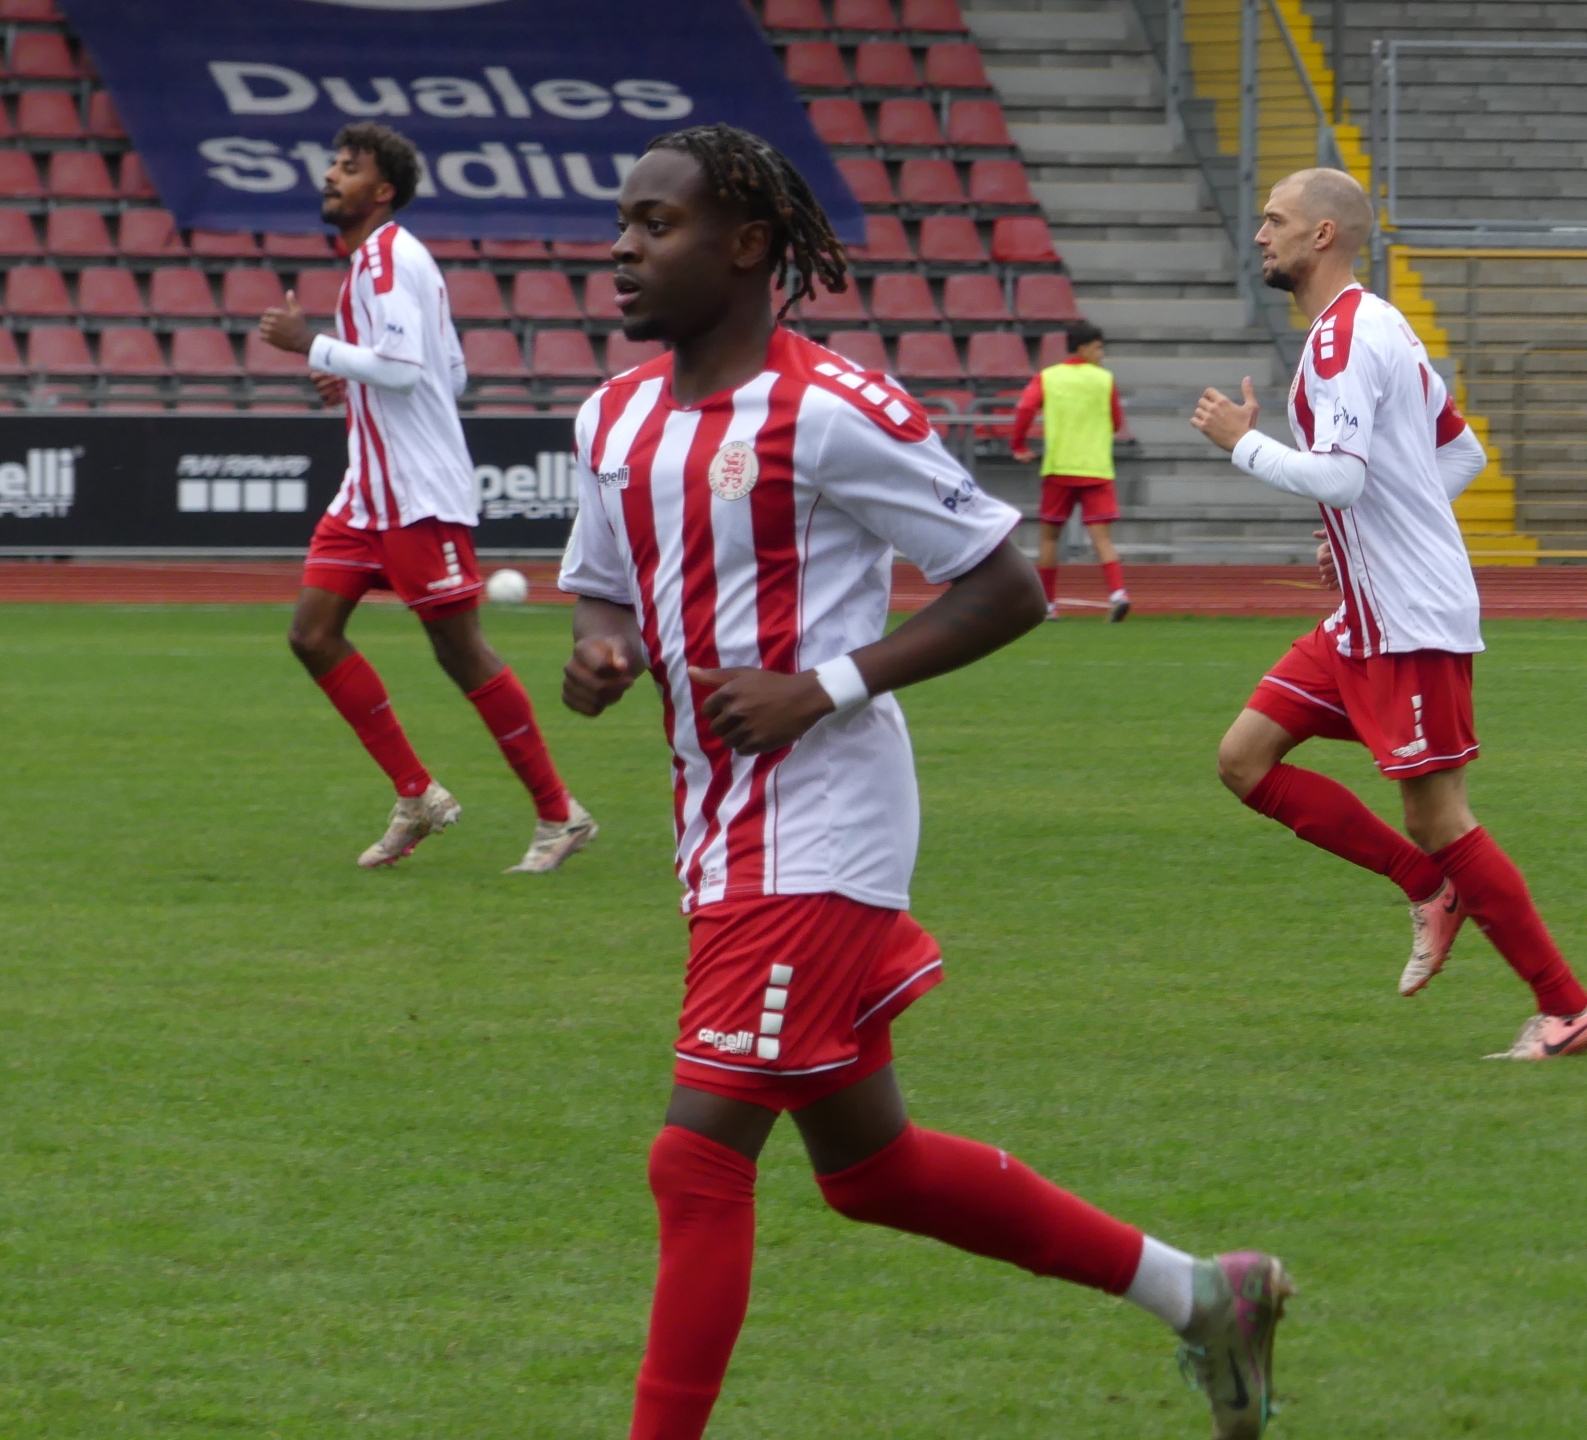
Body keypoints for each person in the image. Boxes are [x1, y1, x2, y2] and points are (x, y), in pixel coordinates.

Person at [557, 123, 1290, 1440]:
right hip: (717, 827)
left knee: (697, 1157)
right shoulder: (611, 417)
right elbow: (605, 583)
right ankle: (1203, 1295)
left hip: (822, 822)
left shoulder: (835, 410)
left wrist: (822, 686)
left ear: (747, 246)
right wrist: (600, 651)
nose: (622, 247)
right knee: (870, 1170)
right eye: (625, 222)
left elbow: (1007, 587)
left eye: (656, 225)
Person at [1191, 167, 1587, 1062]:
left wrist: (1243, 444)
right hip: (1363, 615)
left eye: (1275, 220)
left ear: (1322, 236)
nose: (1261, 234)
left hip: (1406, 618)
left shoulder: (1344, 340)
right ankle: (1427, 886)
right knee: (1243, 759)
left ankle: (1567, 1008)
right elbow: (1460, 455)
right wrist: (1362, 530)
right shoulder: (1380, 323)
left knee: (1441, 817)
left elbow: (1344, 477)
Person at [260, 122, 596, 873]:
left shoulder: (385, 259)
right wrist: (349, 375)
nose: (331, 175)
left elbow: (407, 371)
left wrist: (311, 344)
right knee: (312, 635)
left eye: (349, 168)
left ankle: (559, 813)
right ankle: (416, 794)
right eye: (333, 163)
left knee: (460, 651)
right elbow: (451, 372)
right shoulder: (383, 262)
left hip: (416, 494)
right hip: (367, 493)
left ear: (382, 191)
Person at [1010, 320, 1131, 622]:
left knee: (1050, 539)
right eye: (1098, 348)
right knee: (1102, 539)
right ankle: (1118, 593)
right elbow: (1117, 422)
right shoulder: (1104, 379)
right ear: (1083, 348)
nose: (1101, 354)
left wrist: (1019, 445)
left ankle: (1048, 604)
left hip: (1059, 468)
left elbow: (1025, 408)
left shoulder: (1048, 377)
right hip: (1096, 468)